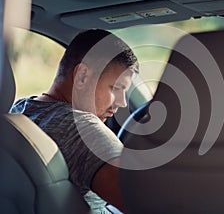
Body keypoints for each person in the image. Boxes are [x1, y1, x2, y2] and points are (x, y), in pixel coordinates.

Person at [9, 29, 139, 213]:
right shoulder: (81, 128)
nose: (122, 102)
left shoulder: (18, 111)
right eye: (116, 88)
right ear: (82, 76)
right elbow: (145, 202)